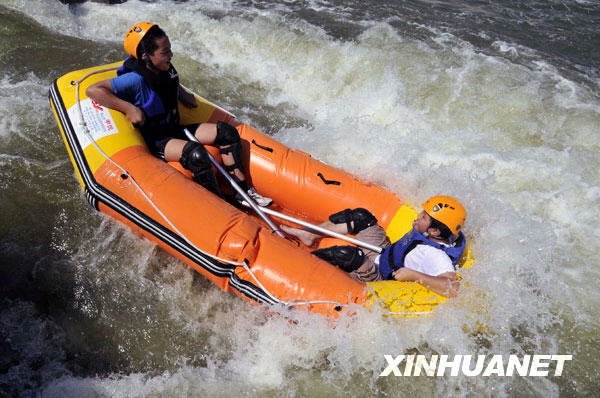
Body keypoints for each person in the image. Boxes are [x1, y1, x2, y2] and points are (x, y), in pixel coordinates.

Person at [86, 22, 272, 206]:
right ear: (146, 56)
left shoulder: (165, 69)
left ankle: (243, 192)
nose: (171, 55)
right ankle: (219, 205)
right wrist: (129, 108)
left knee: (227, 133)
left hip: (174, 128)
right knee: (196, 155)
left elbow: (168, 84)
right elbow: (94, 90)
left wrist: (183, 94)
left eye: (170, 49)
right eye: (165, 52)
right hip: (157, 140)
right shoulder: (134, 80)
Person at [281, 196, 467, 298]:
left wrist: (415, 276)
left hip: (379, 275)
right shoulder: (432, 233)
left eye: (424, 217)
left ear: (434, 231)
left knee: (347, 255)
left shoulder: (436, 256)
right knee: (362, 217)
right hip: (382, 252)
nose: (418, 216)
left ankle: (290, 265)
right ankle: (308, 234)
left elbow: (452, 288)